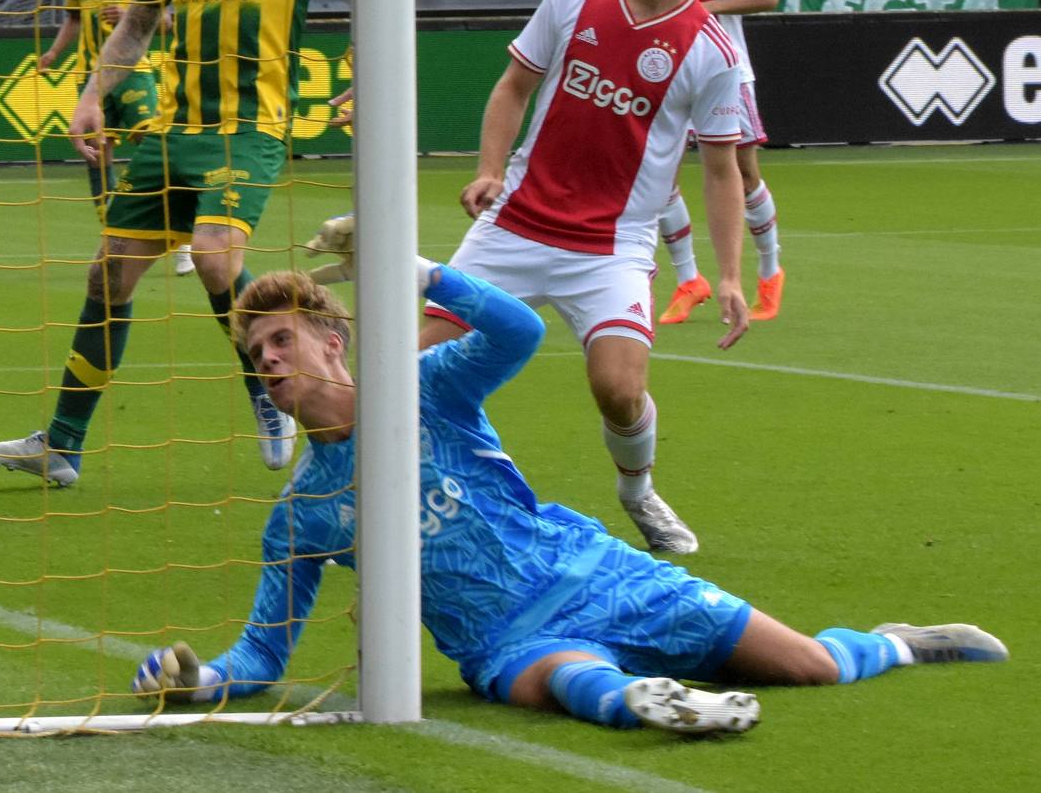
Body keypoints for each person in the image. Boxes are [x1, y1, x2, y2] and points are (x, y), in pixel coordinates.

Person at [128, 264, 1010, 732]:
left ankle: (893, 644)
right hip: (508, 642)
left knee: (810, 668)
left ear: (333, 339)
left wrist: (426, 273)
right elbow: (261, 656)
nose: (269, 360)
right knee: (573, 682)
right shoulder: (301, 515)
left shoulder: (422, 387)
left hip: (593, 570)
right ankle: (662, 704)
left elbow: (520, 329)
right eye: (256, 354)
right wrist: (195, 678)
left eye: (281, 340)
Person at [0, 0, 351, 487]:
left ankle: (267, 392)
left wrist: (369, 69)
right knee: (106, 275)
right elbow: (138, 25)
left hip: (249, 129)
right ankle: (61, 444)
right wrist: (89, 96)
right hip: (171, 133)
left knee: (211, 253)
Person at [420, 0, 751, 555]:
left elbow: (720, 169)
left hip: (611, 245)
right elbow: (513, 85)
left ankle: (637, 491)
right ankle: (361, 484)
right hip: (514, 223)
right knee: (410, 363)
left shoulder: (711, 48)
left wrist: (728, 275)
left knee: (619, 390)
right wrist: (488, 170)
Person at [655, 0, 784, 327]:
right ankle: (690, 279)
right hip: (669, 67)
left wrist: (704, 10)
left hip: (725, 70)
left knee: (742, 173)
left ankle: (769, 274)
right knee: (660, 176)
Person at [33, 0, 185, 286]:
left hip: (134, 71)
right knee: (96, 156)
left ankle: (181, 231)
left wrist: (132, 14)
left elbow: (169, 20)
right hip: (90, 78)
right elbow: (73, 18)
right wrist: (52, 52)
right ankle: (114, 240)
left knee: (153, 144)